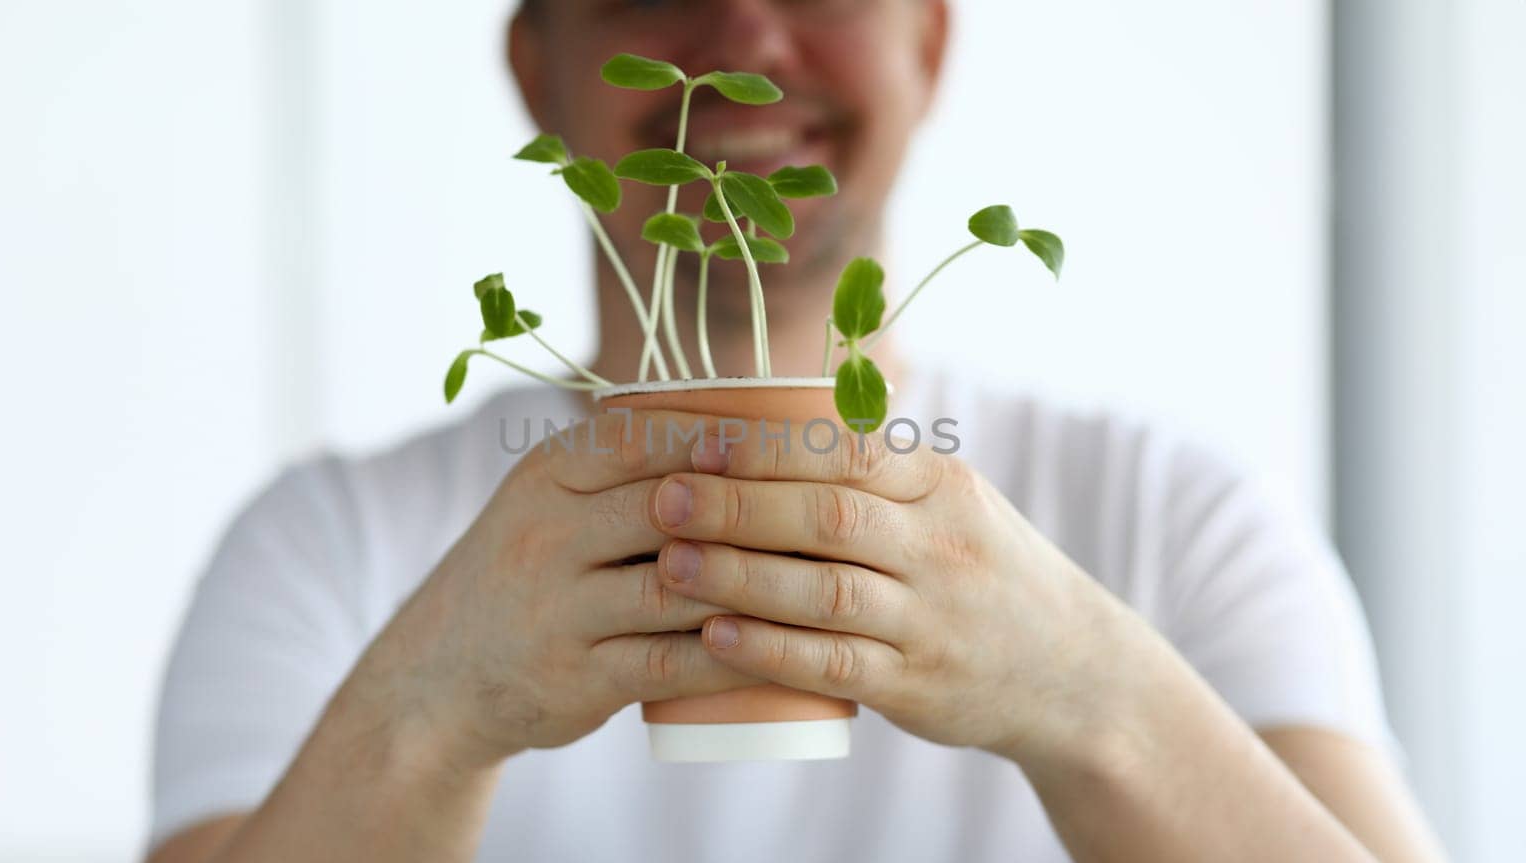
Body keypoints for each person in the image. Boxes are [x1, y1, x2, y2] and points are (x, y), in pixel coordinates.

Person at [147, 1, 1447, 861]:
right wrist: (434, 702)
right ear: (535, 66)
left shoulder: (1176, 522)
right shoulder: (328, 551)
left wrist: (1082, 691)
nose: (738, 34)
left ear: (928, 45)